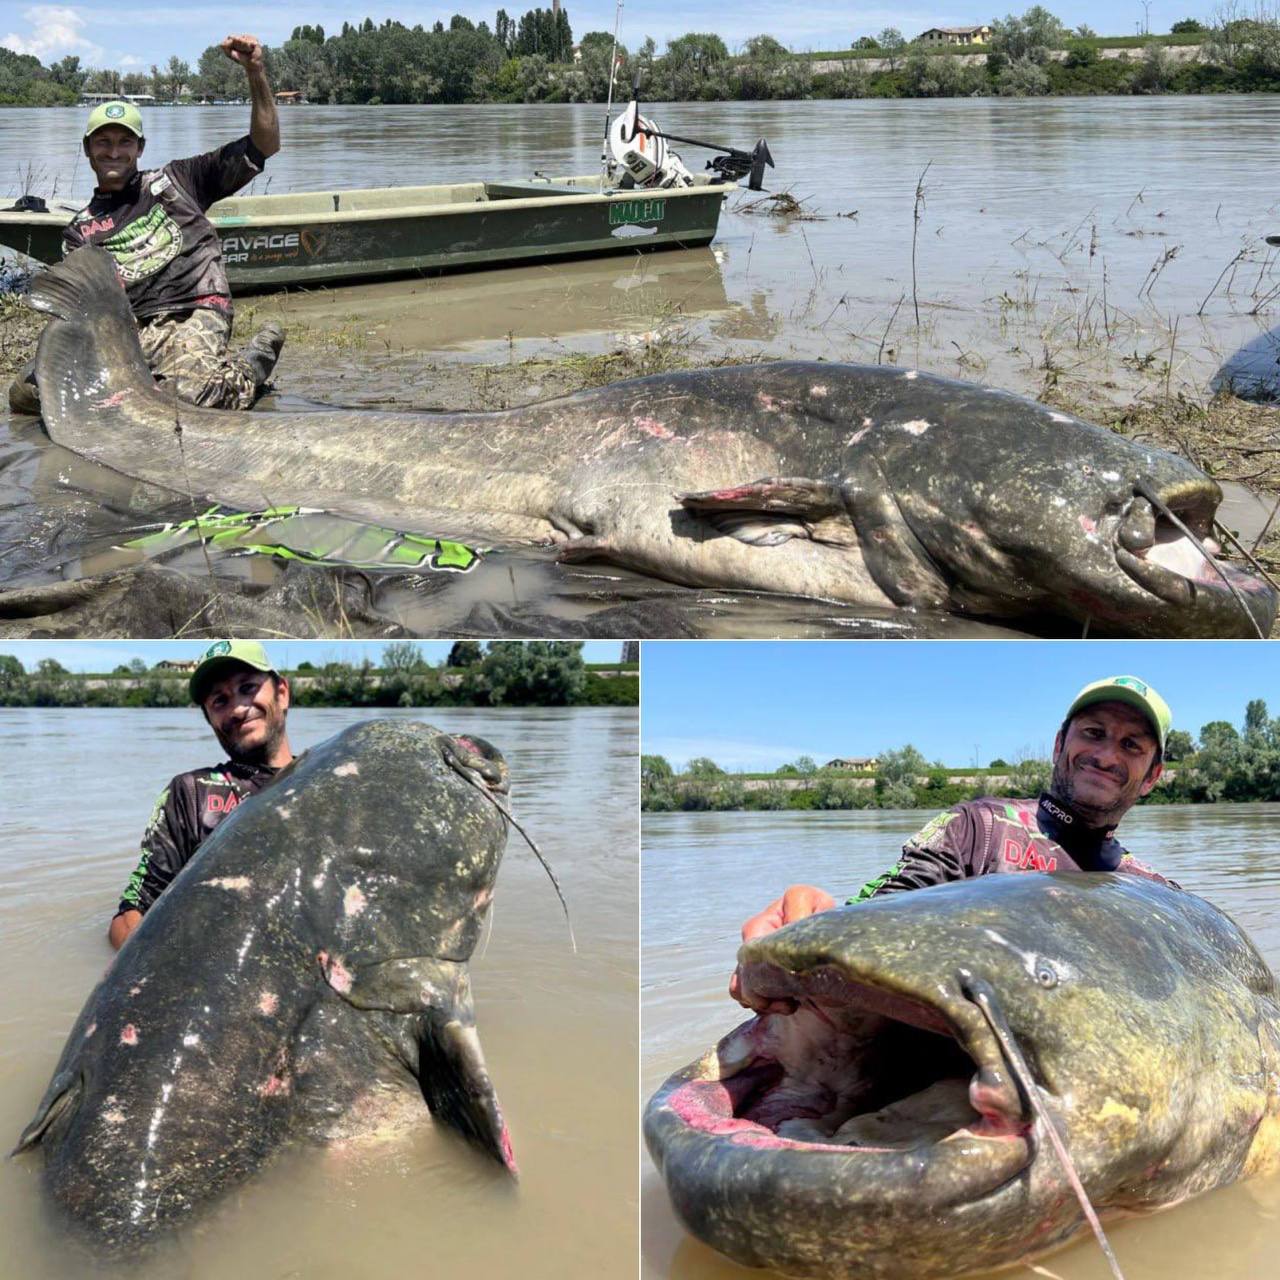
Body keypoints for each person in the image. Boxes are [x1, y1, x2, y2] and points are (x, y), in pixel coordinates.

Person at [730, 675, 1177, 1010]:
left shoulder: (1158, 897)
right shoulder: (977, 828)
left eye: (1131, 746)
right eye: (1093, 733)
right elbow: (884, 911)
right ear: (1060, 743)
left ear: (1152, 776)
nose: (1105, 756)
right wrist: (815, 922)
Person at [10, 34, 285, 415]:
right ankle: (153, 379)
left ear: (140, 148)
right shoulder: (79, 232)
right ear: (87, 149)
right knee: (27, 395)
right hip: (130, 331)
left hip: (195, 310)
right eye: (103, 141)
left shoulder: (179, 181)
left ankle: (251, 366)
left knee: (192, 399)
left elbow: (265, 144)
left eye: (125, 142)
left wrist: (255, 72)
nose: (114, 151)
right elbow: (86, 309)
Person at [108, 640, 295, 950]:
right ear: (210, 720)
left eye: (248, 688)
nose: (237, 708)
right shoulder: (191, 793)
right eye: (219, 701)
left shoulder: (328, 777)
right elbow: (131, 912)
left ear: (282, 692)